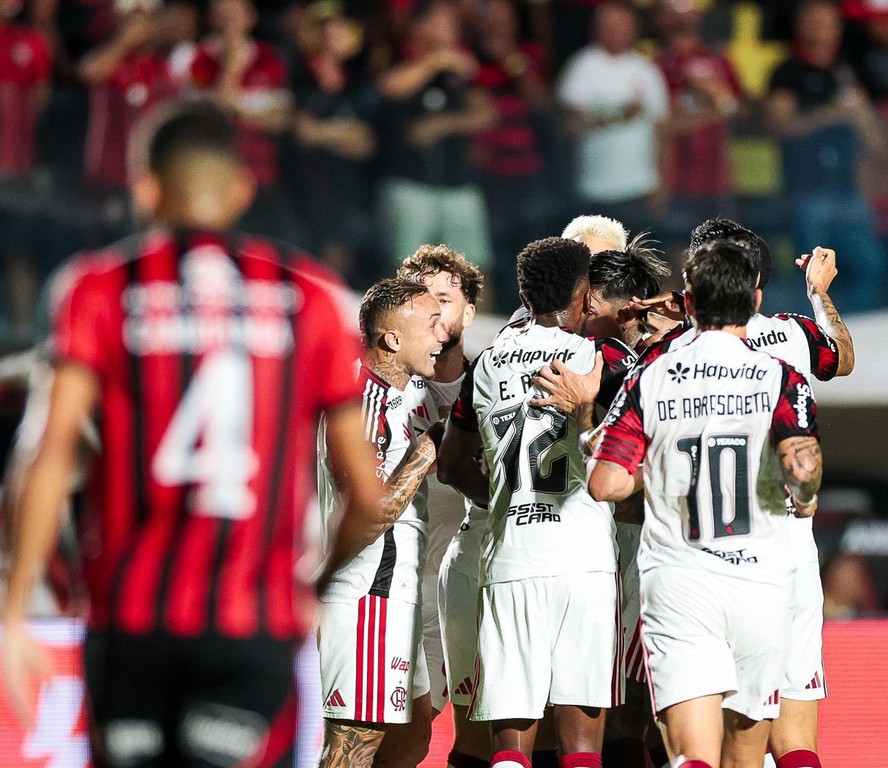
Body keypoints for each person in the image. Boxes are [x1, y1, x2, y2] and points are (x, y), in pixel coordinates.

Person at [0, 101, 384, 768]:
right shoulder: (314, 297)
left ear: (144, 185)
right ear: (242, 189)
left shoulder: (97, 288)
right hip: (255, 625)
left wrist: (14, 608)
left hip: (130, 622)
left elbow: (48, 452)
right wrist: (311, 586)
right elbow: (368, 495)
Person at [589, 243, 824, 768]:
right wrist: (803, 501)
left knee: (693, 756)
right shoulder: (778, 376)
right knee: (745, 753)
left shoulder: (651, 376)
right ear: (755, 297)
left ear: (688, 303)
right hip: (760, 583)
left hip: (680, 581)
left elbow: (606, 483)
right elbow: (802, 469)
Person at [634, 218, 854, 768]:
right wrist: (819, 294)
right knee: (791, 743)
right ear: (755, 284)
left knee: (686, 737)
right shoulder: (793, 335)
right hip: (783, 560)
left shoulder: (669, 355)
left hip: (687, 561)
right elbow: (842, 359)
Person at [438, 237, 636, 768]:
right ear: (582, 291)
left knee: (510, 747)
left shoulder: (486, 362)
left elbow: (451, 465)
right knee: (581, 749)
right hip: (583, 561)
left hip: (509, 559)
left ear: (524, 293)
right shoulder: (601, 357)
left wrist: (506, 498)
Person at [316, 277, 449, 768]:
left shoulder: (396, 396)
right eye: (432, 323)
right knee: (354, 745)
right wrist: (426, 450)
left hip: (395, 594)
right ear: (392, 339)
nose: (443, 335)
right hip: (369, 591)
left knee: (412, 736)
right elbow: (368, 512)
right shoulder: (365, 402)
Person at [395, 245, 486, 768]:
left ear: (470, 312)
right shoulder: (390, 390)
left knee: (484, 731)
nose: (435, 310)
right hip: (410, 591)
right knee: (410, 732)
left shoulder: (495, 384)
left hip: (479, 582)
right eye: (423, 298)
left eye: (446, 299)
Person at [765, 0, 888, 312]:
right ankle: (812, 341)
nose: (821, 30)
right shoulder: (787, 72)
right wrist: (834, 114)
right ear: (801, 27)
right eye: (813, 22)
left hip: (850, 192)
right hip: (807, 193)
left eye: (827, 22)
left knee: (869, 267)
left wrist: (863, 124)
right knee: (813, 278)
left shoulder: (848, 72)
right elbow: (780, 126)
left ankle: (855, 338)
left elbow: (873, 139)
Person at [557, 2, 669, 237]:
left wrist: (662, 181)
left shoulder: (646, 70)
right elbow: (569, 123)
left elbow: (661, 129)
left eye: (624, 26)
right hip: (594, 188)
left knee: (637, 263)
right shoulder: (583, 67)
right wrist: (619, 115)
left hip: (640, 186)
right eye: (610, 27)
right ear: (596, 30)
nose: (617, 33)